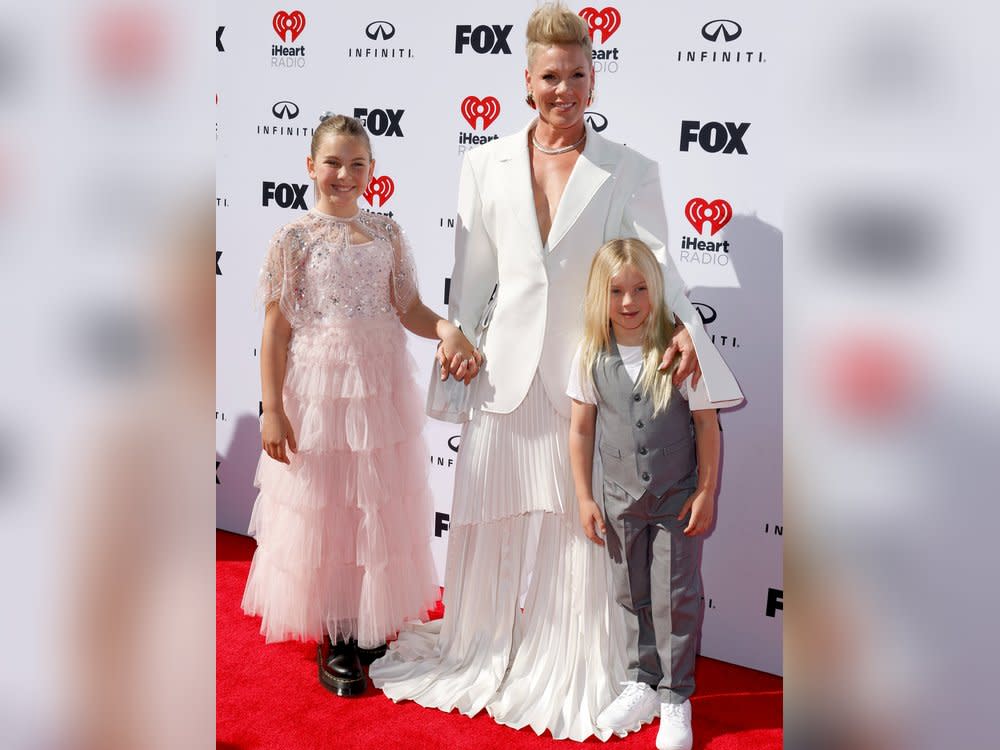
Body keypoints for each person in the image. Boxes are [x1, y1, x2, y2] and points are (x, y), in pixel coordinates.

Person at [370, 3, 742, 740]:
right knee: (493, 519)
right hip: (503, 375)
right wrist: (456, 355)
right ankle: (484, 646)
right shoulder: (483, 163)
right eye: (550, 76)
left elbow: (657, 266)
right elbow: (472, 277)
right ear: (527, 81)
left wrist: (690, 332)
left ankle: (587, 663)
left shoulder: (630, 170)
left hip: (586, 381)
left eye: (577, 75)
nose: (563, 89)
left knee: (584, 531)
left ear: (594, 80)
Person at [240, 113, 480, 697]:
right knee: (328, 506)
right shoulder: (292, 240)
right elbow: (275, 332)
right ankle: (337, 633)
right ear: (310, 166)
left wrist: (447, 327)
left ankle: (366, 621)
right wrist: (273, 408)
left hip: (381, 387)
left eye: (357, 164)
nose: (344, 175)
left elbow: (409, 308)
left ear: (373, 171)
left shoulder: (388, 233)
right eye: (333, 162)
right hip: (319, 390)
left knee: (374, 504)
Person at [567, 238, 735, 750]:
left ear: (656, 290)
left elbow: (707, 426)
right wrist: (584, 496)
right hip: (618, 501)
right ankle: (640, 681)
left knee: (675, 599)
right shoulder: (591, 353)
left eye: (640, 288)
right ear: (601, 294)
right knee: (629, 594)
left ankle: (674, 697)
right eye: (616, 290)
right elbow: (580, 430)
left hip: (674, 501)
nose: (628, 301)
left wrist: (706, 491)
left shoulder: (681, 352)